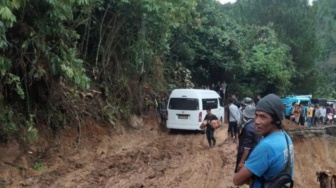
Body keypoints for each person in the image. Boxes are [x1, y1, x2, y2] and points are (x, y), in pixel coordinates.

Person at [233, 94, 294, 187]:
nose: (257, 121)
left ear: (277, 120)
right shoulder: (285, 137)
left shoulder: (266, 146)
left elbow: (237, 180)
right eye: (256, 115)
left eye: (263, 117)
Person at [235, 105, 261, 173]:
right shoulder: (256, 124)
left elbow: (247, 148)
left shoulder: (248, 127)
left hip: (248, 155)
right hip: (255, 152)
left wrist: (241, 162)